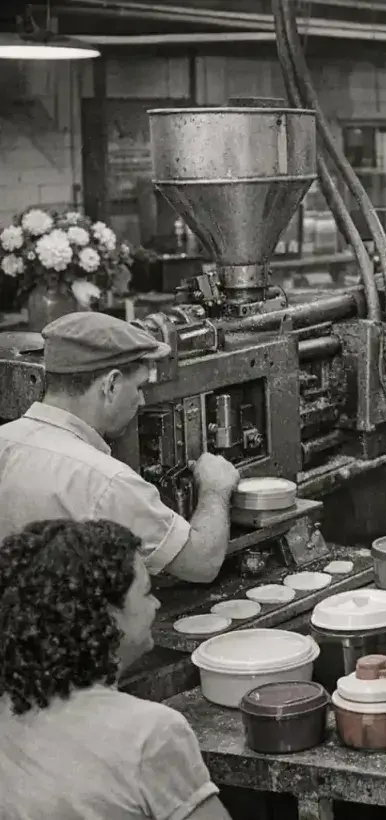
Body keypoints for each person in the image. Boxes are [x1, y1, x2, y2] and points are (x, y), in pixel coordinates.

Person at [0, 519, 231, 820]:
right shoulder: (150, 735)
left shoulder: (10, 708)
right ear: (107, 615)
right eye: (147, 592)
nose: (157, 603)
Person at [0, 312, 240, 583]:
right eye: (138, 387)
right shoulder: (106, 482)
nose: (141, 400)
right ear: (111, 384)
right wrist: (215, 489)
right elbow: (203, 563)